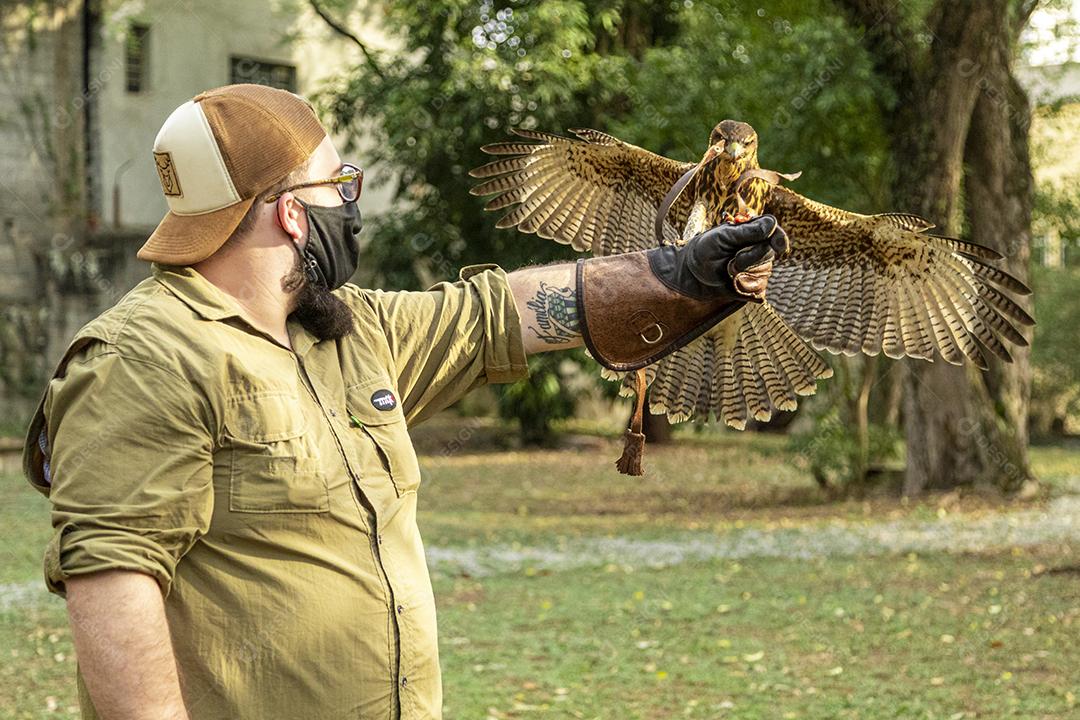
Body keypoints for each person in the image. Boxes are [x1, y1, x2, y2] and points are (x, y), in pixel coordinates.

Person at [22, 84, 787, 720]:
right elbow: (114, 590)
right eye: (338, 186)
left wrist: (679, 273)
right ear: (292, 212)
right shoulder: (143, 360)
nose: (350, 204)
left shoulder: (346, 329)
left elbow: (499, 311)